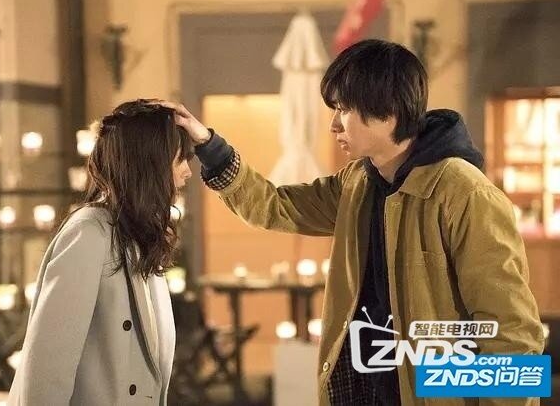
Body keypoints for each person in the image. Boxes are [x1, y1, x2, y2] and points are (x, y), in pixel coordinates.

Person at [160, 39, 544, 406]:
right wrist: (209, 146)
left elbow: (512, 332)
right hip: (355, 388)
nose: (334, 125)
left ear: (387, 112)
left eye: (343, 110)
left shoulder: (465, 193)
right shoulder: (358, 182)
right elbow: (276, 206)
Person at [8, 99, 193, 405]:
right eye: (180, 158)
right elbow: (49, 364)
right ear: (152, 162)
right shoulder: (89, 233)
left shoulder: (139, 233)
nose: (188, 172)